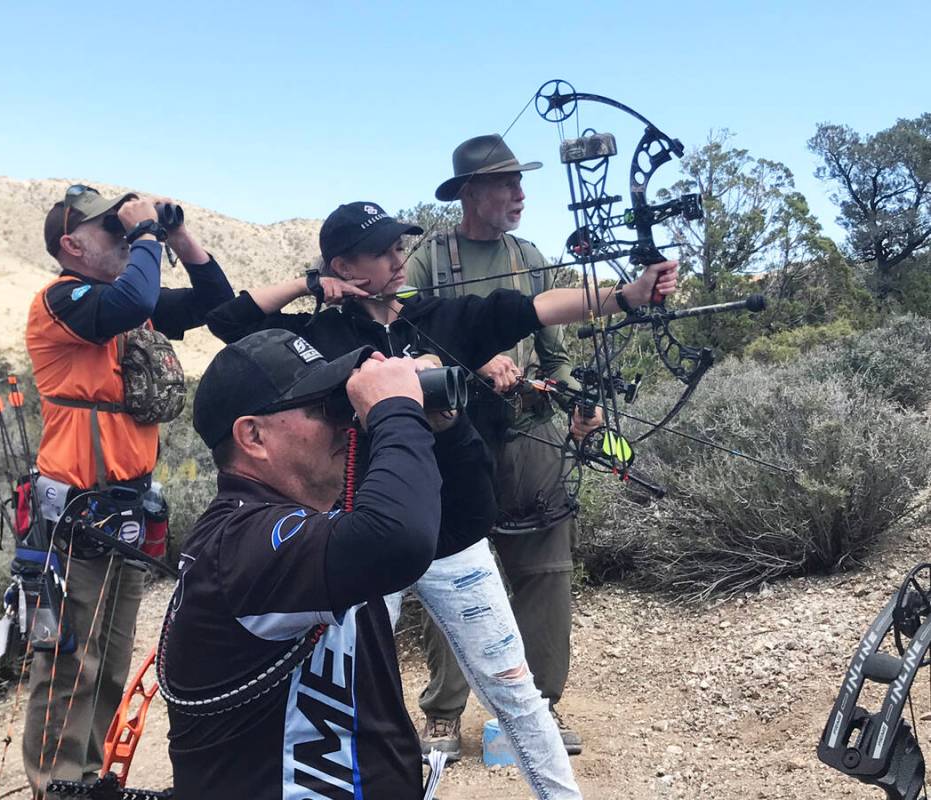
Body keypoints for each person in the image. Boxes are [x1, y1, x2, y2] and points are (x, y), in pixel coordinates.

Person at [205, 200, 676, 799]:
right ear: (343, 263)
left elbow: (530, 307)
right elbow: (227, 322)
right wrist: (307, 284)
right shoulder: (315, 334)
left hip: (451, 537)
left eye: (401, 248)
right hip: (364, 537)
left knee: (515, 692)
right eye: (382, 252)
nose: (399, 260)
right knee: (356, 690)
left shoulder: (433, 318)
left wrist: (628, 296)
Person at [160, 329, 443, 799]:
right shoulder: (240, 543)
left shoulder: (303, 521)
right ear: (252, 435)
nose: (346, 423)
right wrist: (396, 413)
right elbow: (400, 538)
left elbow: (451, 512)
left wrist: (431, 424)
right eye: (323, 408)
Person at [22, 184, 234, 794]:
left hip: (126, 512)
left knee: (110, 660)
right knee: (68, 662)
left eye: (122, 230)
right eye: (108, 231)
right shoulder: (63, 301)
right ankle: (56, 784)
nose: (120, 237)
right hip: (74, 517)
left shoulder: (127, 303)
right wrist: (144, 235)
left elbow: (215, 304)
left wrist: (179, 235)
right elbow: (128, 300)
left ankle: (89, 777)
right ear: (71, 245)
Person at [404, 134, 582, 756]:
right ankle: (445, 713)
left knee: (546, 569)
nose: (519, 194)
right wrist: (477, 363)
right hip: (450, 436)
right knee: (449, 567)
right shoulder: (427, 260)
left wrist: (572, 400)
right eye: (506, 184)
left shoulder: (530, 257)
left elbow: (559, 359)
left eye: (519, 182)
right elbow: (406, 343)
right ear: (471, 193)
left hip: (528, 431)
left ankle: (539, 709)